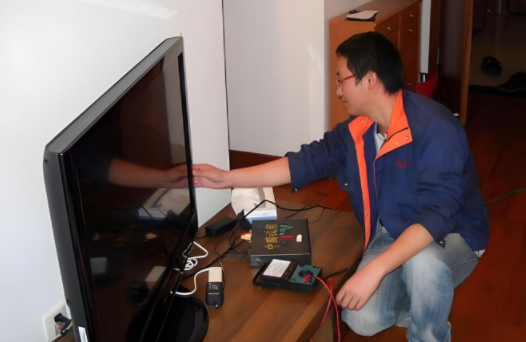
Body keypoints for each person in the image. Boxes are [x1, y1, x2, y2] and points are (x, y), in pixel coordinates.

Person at [192, 32, 490, 342]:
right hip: (393, 230)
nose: (338, 91)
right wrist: (227, 178)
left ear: (370, 79)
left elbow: (438, 215)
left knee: (423, 265)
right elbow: (303, 162)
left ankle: (429, 331)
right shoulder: (357, 130)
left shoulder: (435, 128)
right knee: (361, 318)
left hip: (453, 234)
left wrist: (375, 270)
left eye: (341, 80)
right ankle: (420, 296)